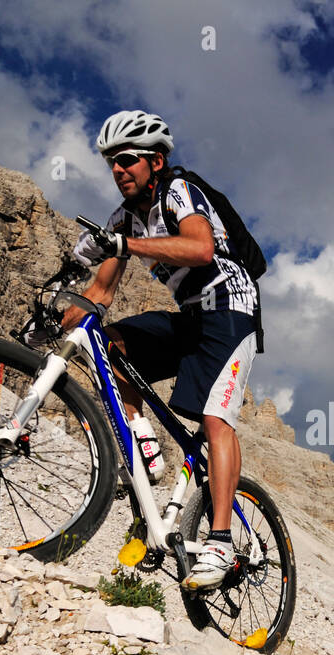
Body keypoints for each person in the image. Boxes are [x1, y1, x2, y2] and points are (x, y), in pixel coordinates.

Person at [59, 110, 258, 590]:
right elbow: (100, 294)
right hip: (190, 315)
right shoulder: (123, 218)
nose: (118, 170)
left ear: (156, 161)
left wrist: (126, 244)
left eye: (127, 160)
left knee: (214, 420)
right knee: (111, 342)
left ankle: (222, 540)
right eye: (111, 163)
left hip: (230, 309)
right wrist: (54, 315)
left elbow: (200, 249)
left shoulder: (178, 191)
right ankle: (143, 438)